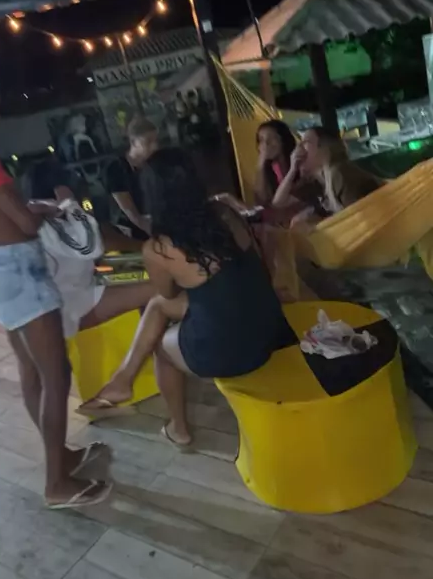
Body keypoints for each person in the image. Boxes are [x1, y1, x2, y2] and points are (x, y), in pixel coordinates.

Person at [0, 80, 111, 510]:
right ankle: (57, 483)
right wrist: (42, 211)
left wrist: (27, 212)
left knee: (31, 370)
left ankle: (60, 456)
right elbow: (24, 224)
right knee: (56, 376)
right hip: (19, 271)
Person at [78, 147, 296, 444]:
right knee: (159, 307)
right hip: (271, 327)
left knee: (160, 346)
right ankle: (122, 380)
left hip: (234, 352)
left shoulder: (159, 248)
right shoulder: (225, 213)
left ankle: (177, 428)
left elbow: (169, 292)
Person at [24, 160, 153, 340]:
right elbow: (90, 246)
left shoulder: (42, 215)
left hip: (88, 280)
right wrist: (70, 204)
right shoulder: (46, 223)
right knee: (161, 284)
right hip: (76, 305)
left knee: (155, 267)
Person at [274, 126, 382, 221]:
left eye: (306, 142)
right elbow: (278, 203)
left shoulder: (339, 174)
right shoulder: (316, 181)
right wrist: (292, 170)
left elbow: (361, 220)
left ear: (324, 149)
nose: (298, 149)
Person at [106, 116, 158, 240]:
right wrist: (153, 232)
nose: (155, 146)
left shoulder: (154, 163)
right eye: (148, 142)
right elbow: (129, 210)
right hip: (127, 229)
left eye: (155, 141)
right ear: (134, 142)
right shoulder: (116, 168)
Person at [254, 119, 297, 206]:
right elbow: (261, 202)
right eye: (261, 140)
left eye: (271, 138)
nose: (266, 143)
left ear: (283, 140)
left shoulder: (299, 163)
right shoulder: (268, 170)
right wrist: (261, 165)